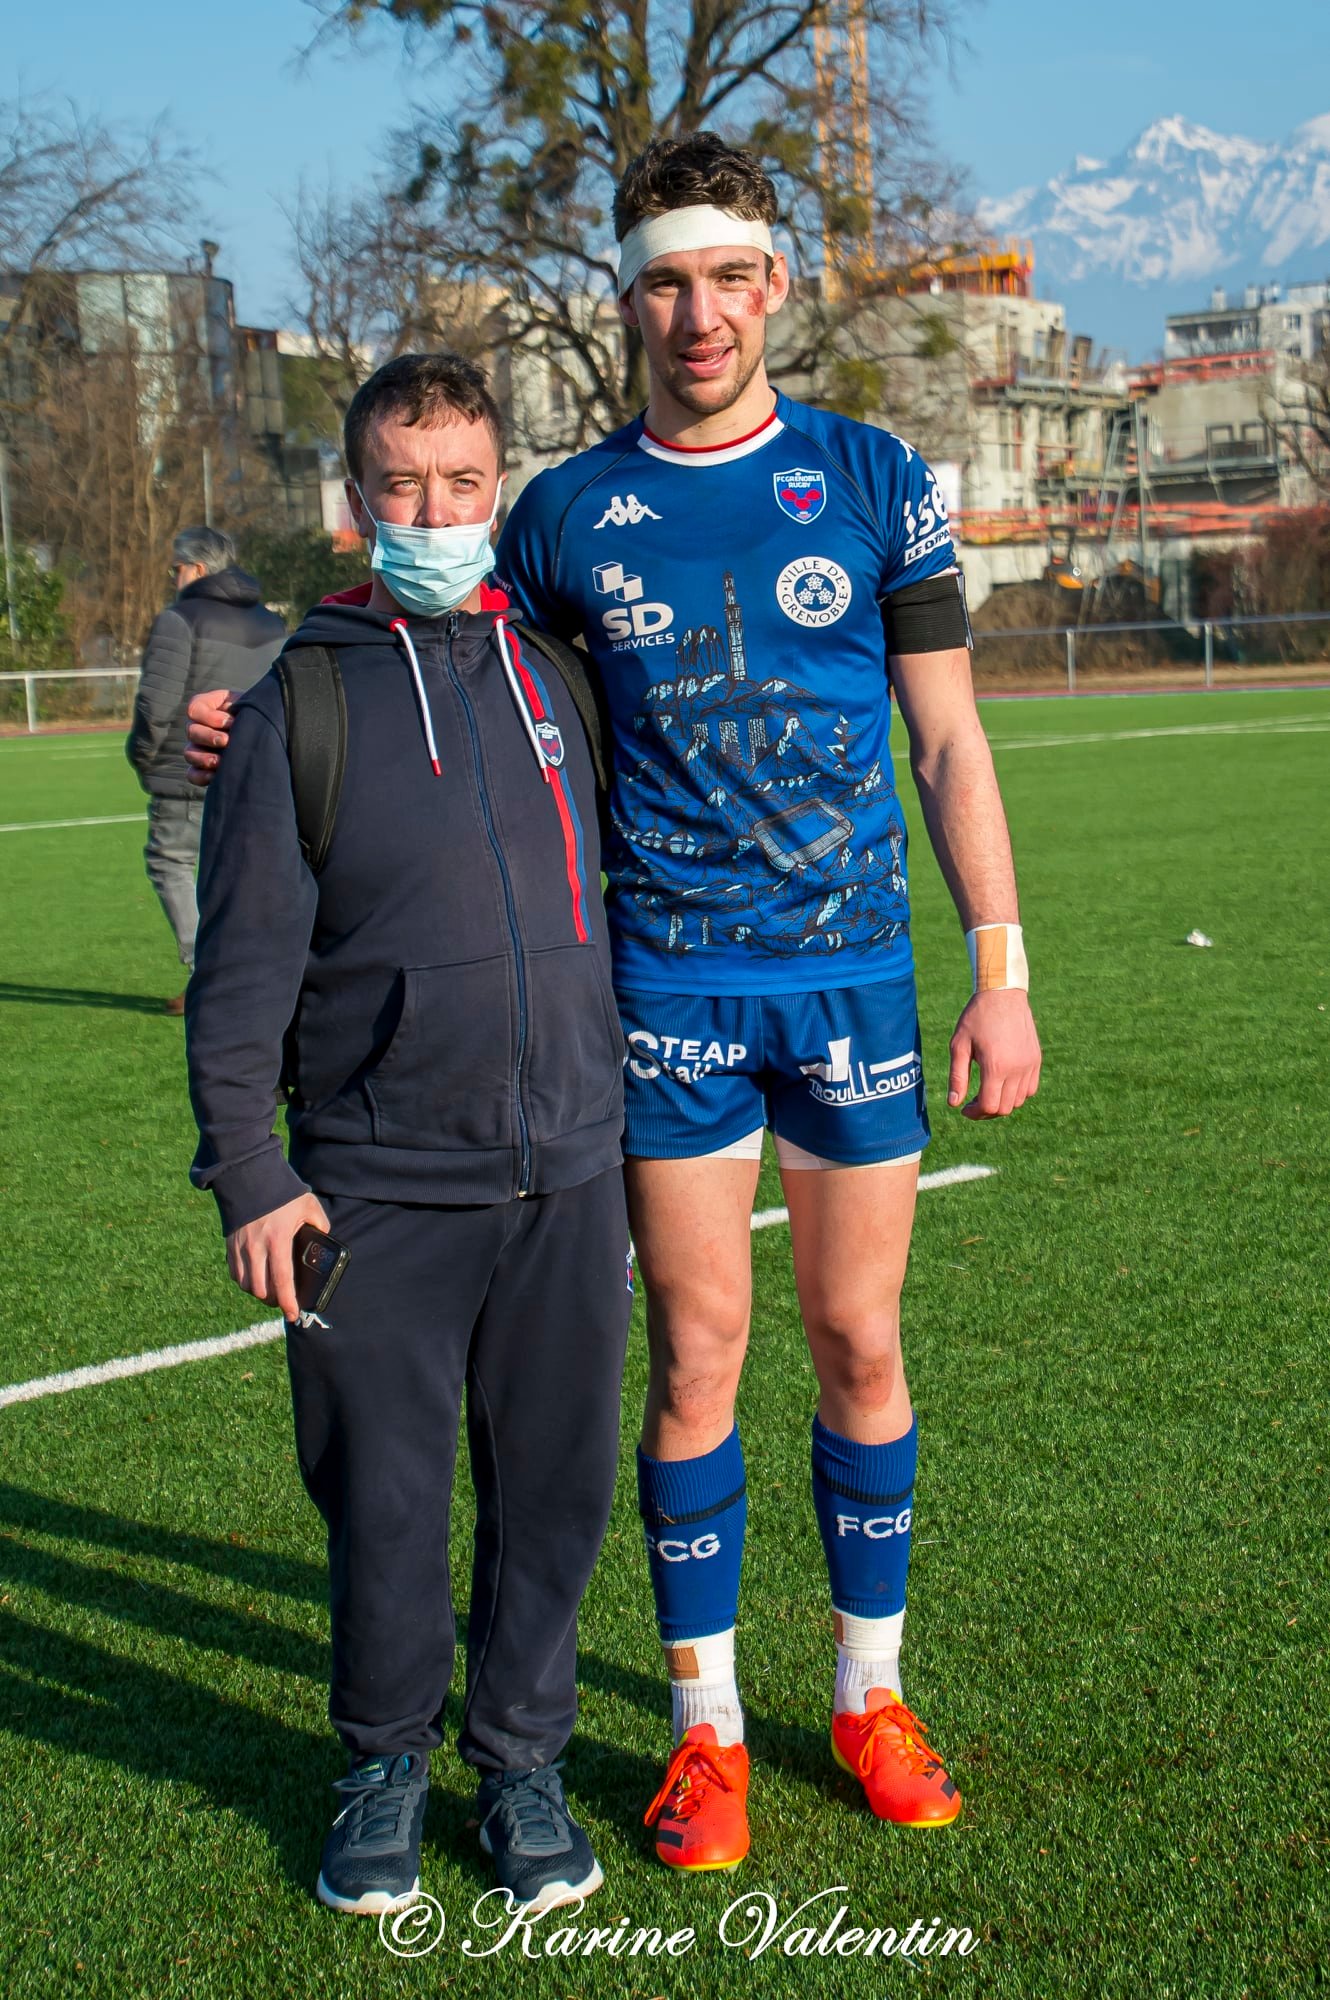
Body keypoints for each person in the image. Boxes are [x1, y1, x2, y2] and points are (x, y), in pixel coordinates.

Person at [186, 133, 1042, 1876]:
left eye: (730, 276)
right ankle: (706, 1728)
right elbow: (451, 630)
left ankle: (870, 1690)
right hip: (663, 1002)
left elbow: (948, 735)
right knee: (699, 1357)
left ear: (776, 285)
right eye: (665, 279)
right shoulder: (570, 507)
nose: (698, 312)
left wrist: (1000, 965)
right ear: (627, 295)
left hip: (853, 985)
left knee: (864, 1346)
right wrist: (263, 703)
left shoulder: (879, 478)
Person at [185, 353, 631, 1919]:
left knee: (557, 1489)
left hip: (571, 1167)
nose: (435, 511)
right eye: (402, 485)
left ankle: (519, 1765)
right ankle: (380, 1765)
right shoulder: (296, 698)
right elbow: (237, 968)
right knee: (381, 1496)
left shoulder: (564, 670)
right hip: (375, 1180)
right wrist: (252, 1170)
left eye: (462, 482)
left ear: (495, 487)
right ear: (354, 502)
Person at [126, 526, 284, 1012]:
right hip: (255, 770)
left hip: (188, 767)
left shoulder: (180, 619)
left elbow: (156, 705)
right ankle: (258, 976)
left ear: (195, 569)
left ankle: (206, 973)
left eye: (177, 567)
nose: (174, 577)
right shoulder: (272, 624)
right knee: (243, 874)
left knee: (170, 862)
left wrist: (143, 754)